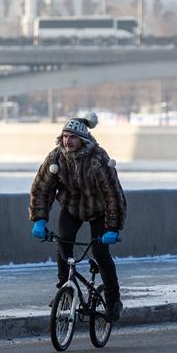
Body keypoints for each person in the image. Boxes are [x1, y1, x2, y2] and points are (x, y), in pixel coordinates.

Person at [29, 112, 126, 322]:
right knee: (63, 245)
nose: (67, 141)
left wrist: (113, 228)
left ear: (82, 139)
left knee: (100, 252)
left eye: (72, 137)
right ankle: (65, 289)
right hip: (72, 208)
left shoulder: (98, 160)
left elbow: (113, 195)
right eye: (64, 136)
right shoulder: (56, 158)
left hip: (99, 210)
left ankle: (113, 299)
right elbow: (41, 189)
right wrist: (40, 219)